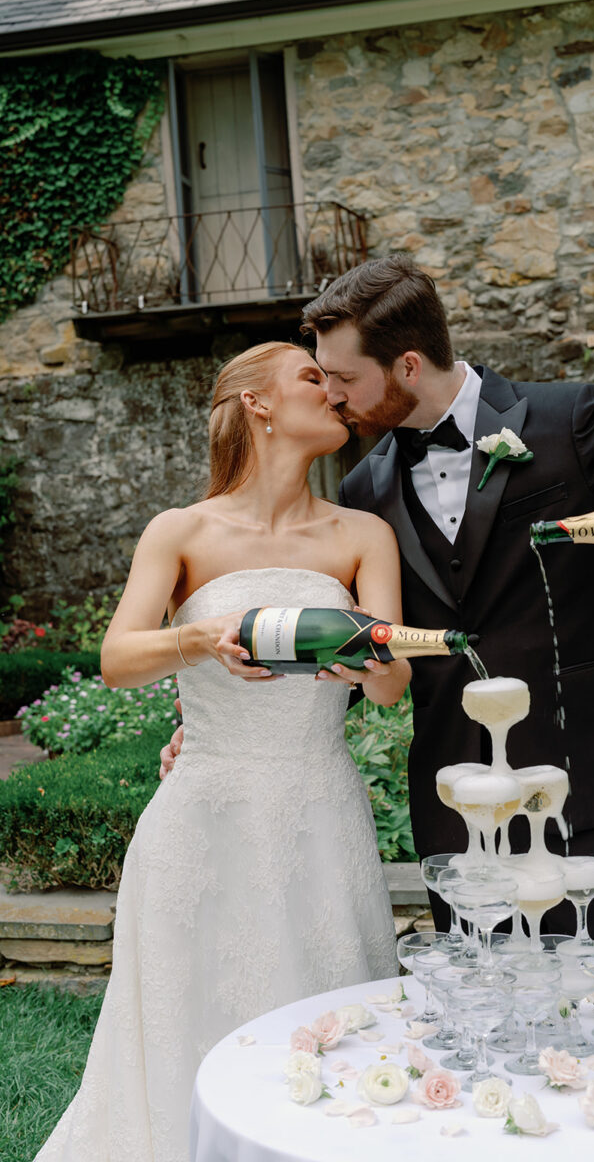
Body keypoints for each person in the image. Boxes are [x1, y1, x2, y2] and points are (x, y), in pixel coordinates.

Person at [298, 254, 594, 977]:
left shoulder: (567, 419)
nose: (332, 397)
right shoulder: (365, 487)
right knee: (486, 1019)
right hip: (461, 803)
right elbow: (357, 640)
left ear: (408, 366)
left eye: (344, 379)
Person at [35, 342, 404, 1162]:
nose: (334, 393)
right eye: (311, 377)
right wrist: (200, 638)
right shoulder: (180, 531)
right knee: (184, 1027)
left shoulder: (362, 533)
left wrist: (367, 658)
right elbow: (118, 659)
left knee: (330, 1024)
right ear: (258, 405)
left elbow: (392, 684)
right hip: (200, 820)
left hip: (319, 815)